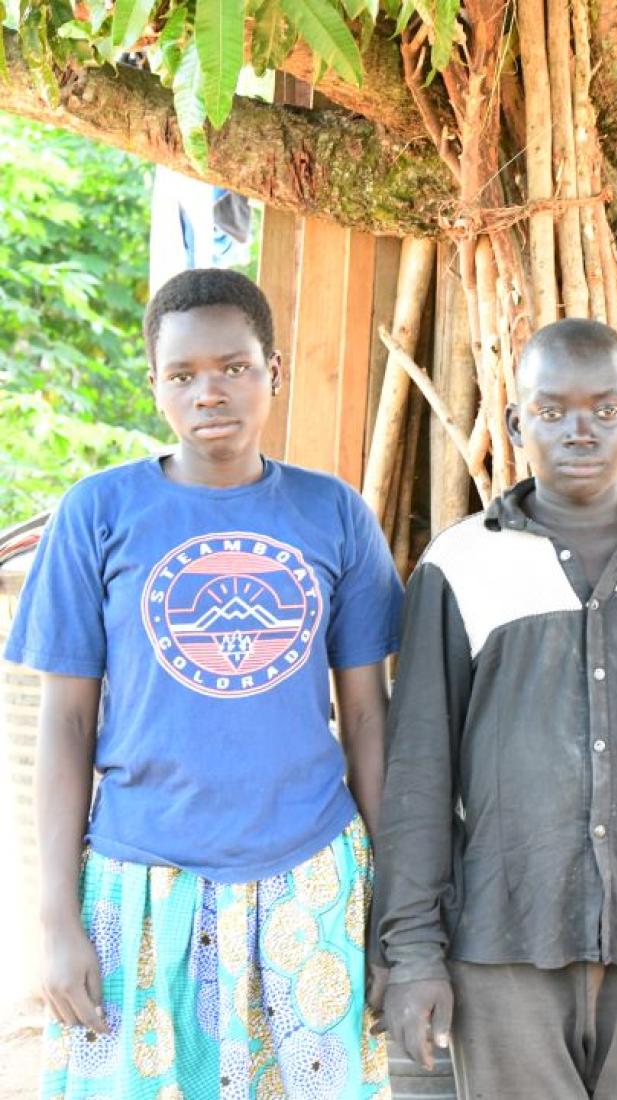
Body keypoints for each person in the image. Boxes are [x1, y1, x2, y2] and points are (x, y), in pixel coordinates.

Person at [7, 268, 404, 1097]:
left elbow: (368, 719)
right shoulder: (99, 512)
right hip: (139, 880)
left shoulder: (331, 514)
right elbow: (67, 726)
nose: (210, 392)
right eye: (183, 374)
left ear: (275, 372)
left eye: (234, 367)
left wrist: (394, 901)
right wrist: (56, 919)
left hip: (310, 876)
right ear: (154, 383)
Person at [374, 318, 617, 1099]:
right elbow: (418, 773)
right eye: (551, 412)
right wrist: (413, 952)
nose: (578, 431)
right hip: (504, 935)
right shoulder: (461, 564)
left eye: (604, 409)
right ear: (516, 423)